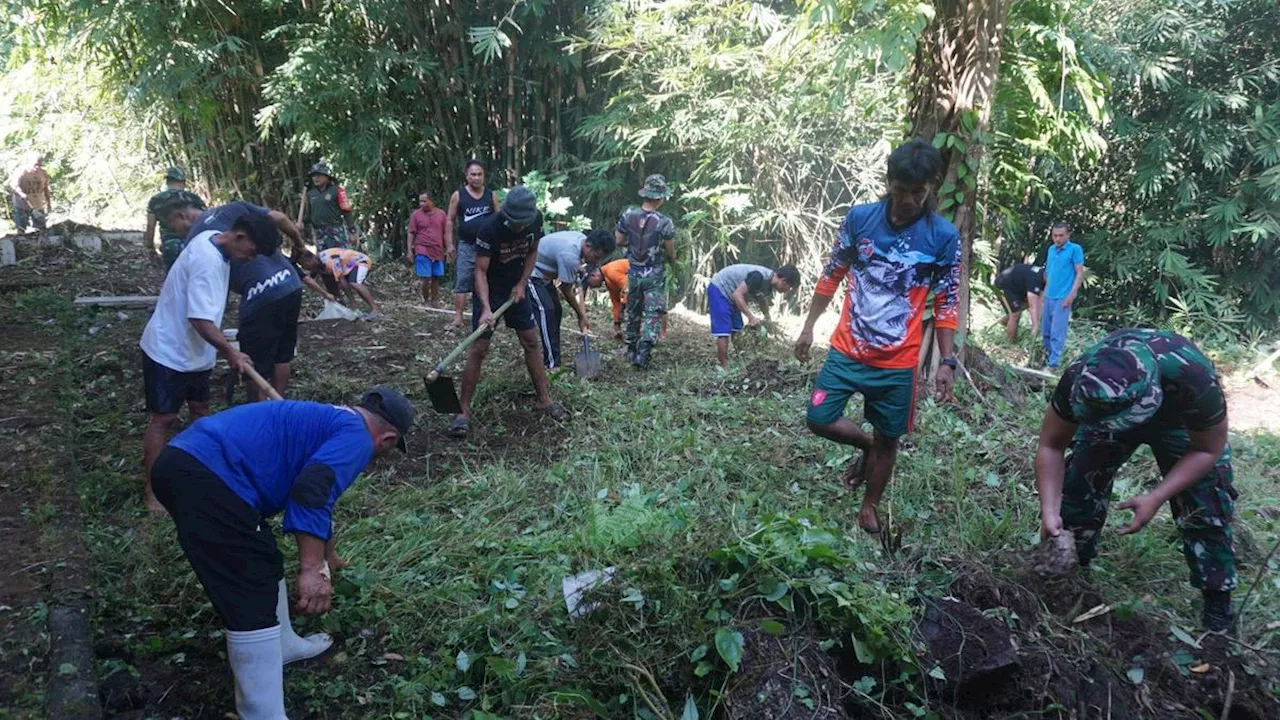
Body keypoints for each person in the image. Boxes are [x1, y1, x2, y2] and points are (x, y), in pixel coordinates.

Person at [150, 387, 414, 719]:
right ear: (387, 439)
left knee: (262, 554)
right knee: (250, 587)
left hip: (189, 461)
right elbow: (311, 489)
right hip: (206, 474)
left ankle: (282, 644)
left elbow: (317, 494)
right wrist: (311, 569)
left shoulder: (334, 419)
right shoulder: (359, 439)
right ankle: (261, 713)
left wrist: (327, 552)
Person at [793, 138, 961, 535]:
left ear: (931, 188)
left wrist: (947, 362)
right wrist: (807, 326)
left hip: (898, 362)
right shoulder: (860, 219)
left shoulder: (942, 236)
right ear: (889, 183)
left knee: (890, 437)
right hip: (847, 351)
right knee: (819, 417)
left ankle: (870, 505)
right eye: (901, 191)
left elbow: (948, 300)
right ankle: (867, 450)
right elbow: (832, 273)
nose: (908, 201)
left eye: (918, 193)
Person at [1035, 329, 1237, 631]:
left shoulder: (1192, 375)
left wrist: (1157, 496)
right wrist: (1049, 511)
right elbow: (1051, 445)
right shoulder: (1082, 379)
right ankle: (1072, 571)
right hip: (1109, 413)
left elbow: (1208, 449)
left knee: (1207, 500)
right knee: (1077, 486)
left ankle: (1217, 600)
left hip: (1177, 420)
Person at [139, 214, 281, 512]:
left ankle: (198, 471)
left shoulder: (215, 239)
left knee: (201, 410)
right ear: (239, 237)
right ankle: (153, 492)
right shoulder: (207, 260)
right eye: (251, 251)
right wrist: (231, 352)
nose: (249, 259)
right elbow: (199, 318)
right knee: (163, 419)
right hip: (169, 350)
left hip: (198, 351)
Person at [449, 186, 565, 439]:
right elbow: (479, 271)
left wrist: (522, 282)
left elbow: (533, 251)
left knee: (531, 342)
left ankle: (544, 399)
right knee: (479, 348)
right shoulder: (489, 228)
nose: (518, 228)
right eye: (514, 223)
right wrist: (487, 309)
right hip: (490, 290)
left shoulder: (535, 220)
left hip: (516, 288)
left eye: (521, 223)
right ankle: (462, 412)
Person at [180, 201, 324, 401]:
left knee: (252, 361)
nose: (249, 258)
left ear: (183, 217)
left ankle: (260, 411)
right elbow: (280, 218)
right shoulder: (234, 209)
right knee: (283, 352)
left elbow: (203, 302)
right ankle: (276, 404)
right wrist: (299, 245)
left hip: (260, 295)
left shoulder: (196, 243)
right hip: (291, 283)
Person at [530, 228, 616, 369]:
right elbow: (566, 290)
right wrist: (580, 315)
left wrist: (579, 269)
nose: (596, 261)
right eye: (595, 257)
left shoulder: (580, 239)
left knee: (556, 311)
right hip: (530, 273)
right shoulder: (569, 254)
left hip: (545, 275)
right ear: (588, 246)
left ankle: (554, 359)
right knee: (547, 312)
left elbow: (572, 266)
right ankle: (552, 365)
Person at [615, 174, 676, 368]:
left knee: (633, 310)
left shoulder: (628, 215)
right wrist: (673, 262)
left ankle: (630, 348)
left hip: (634, 271)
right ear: (660, 198)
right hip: (654, 273)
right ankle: (644, 352)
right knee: (653, 312)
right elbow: (670, 251)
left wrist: (632, 243)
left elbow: (619, 240)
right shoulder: (664, 222)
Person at [708, 263, 800, 368]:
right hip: (720, 288)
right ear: (784, 281)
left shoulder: (768, 284)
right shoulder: (758, 276)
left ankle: (740, 359)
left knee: (737, 329)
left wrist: (768, 319)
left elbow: (762, 300)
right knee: (724, 330)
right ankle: (723, 366)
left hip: (732, 295)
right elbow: (738, 295)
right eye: (790, 287)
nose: (787, 291)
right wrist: (751, 317)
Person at [445, 160, 500, 330]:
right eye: (473, 174)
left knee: (489, 279)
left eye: (479, 174)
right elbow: (450, 220)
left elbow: (499, 219)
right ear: (467, 176)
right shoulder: (459, 195)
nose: (476, 178)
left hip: (488, 247)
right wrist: (449, 244)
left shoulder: (491, 195)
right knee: (462, 280)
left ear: (484, 176)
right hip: (467, 245)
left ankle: (489, 312)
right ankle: (458, 317)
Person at [583, 258, 668, 341]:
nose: (591, 286)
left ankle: (662, 333)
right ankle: (636, 333)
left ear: (593, 275)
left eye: (589, 283)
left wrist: (622, 307)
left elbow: (629, 287)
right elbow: (616, 302)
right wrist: (617, 327)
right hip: (639, 282)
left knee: (655, 304)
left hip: (648, 275)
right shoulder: (608, 279)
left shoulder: (611, 271)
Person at [1041, 222, 1084, 370]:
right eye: (1055, 235)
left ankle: (1054, 365)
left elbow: (1079, 273)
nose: (1057, 239)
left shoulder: (1075, 249)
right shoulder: (1051, 250)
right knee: (1045, 332)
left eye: (1061, 235)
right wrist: (1044, 294)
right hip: (1049, 296)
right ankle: (1048, 359)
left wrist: (1072, 294)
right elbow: (1048, 273)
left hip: (1063, 296)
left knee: (1057, 332)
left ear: (1068, 235)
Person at [145, 167, 206, 270]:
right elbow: (204, 220)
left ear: (167, 181)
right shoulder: (194, 199)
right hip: (194, 243)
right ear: (183, 182)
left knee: (174, 278)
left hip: (170, 245)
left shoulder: (156, 200)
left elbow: (151, 226)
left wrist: (150, 247)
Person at [299, 248, 380, 318]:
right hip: (346, 267)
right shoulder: (318, 264)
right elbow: (313, 280)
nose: (304, 267)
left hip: (359, 262)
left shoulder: (330, 261)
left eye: (305, 264)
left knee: (354, 283)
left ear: (312, 260)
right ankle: (340, 305)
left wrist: (352, 301)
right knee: (327, 279)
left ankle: (374, 308)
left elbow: (342, 281)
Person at [407, 190, 450, 307]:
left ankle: (435, 300)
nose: (422, 204)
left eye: (424, 201)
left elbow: (446, 232)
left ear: (431, 201)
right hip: (422, 248)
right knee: (425, 277)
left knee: (436, 277)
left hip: (437, 249)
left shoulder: (441, 214)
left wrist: (448, 247)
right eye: (420, 201)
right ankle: (426, 300)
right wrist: (409, 251)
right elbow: (411, 233)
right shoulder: (415, 215)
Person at [301, 162, 356, 251]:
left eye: (318, 175)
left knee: (340, 258)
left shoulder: (337, 190)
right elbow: (310, 214)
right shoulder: (311, 194)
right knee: (323, 261)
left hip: (335, 231)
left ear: (326, 176)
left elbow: (347, 211)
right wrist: (302, 223)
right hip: (319, 233)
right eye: (314, 176)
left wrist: (352, 231)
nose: (315, 178)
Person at [993, 262, 1045, 342]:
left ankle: (1004, 321)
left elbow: (1040, 303)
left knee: (1019, 308)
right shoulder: (1035, 279)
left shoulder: (1043, 279)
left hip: (1017, 287)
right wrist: (1035, 326)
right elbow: (1033, 307)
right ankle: (1011, 342)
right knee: (1015, 314)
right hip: (1004, 285)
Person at [8, 151, 51, 235]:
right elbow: (13, 185)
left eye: (40, 165)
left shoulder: (43, 173)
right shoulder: (21, 171)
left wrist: (48, 203)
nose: (37, 167)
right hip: (22, 205)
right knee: (21, 229)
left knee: (42, 229)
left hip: (38, 205)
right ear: (29, 162)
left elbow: (45, 188)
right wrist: (21, 194)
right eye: (35, 164)